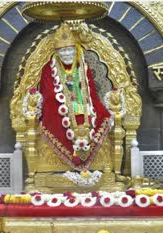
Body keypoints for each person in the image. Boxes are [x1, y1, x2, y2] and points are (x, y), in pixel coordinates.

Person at [39, 23, 111, 169]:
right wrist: (67, 103)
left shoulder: (82, 67)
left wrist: (84, 106)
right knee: (63, 109)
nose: (66, 54)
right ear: (56, 53)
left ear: (75, 50)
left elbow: (91, 93)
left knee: (101, 117)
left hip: (84, 107)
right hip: (60, 109)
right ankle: (62, 162)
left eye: (69, 50)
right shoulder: (48, 68)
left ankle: (99, 165)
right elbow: (49, 94)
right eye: (62, 51)